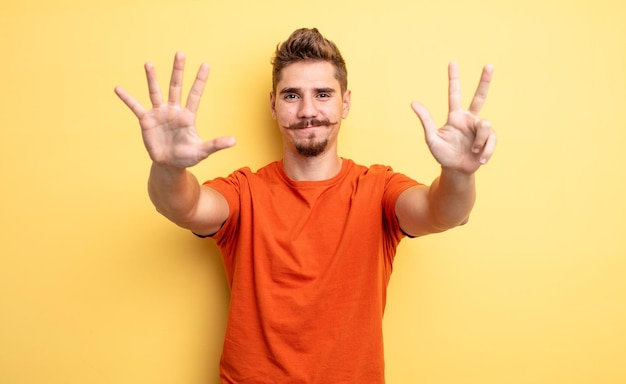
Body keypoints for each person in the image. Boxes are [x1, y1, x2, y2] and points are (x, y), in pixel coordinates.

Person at [114, 27, 495, 384]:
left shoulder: (377, 188)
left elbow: (442, 212)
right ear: (274, 105)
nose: (307, 110)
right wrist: (166, 168)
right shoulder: (244, 190)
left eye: (323, 94)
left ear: (345, 103)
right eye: (292, 95)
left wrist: (459, 173)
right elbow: (185, 206)